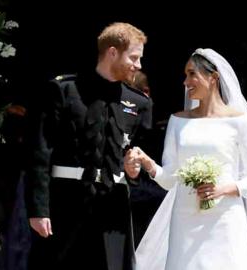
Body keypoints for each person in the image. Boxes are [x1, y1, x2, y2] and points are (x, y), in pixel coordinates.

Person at [125, 48, 247, 270]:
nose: (186, 82)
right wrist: (149, 164)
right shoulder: (178, 121)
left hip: (224, 217)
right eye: (186, 75)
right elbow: (170, 179)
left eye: (192, 74)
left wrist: (223, 189)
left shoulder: (239, 122)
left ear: (213, 78)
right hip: (184, 219)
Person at [25, 22, 152, 270]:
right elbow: (40, 152)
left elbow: (140, 159)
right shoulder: (63, 90)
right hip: (66, 203)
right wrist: (39, 209)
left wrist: (134, 171)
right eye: (134, 57)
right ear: (112, 52)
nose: (138, 66)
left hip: (113, 209)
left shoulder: (139, 103)